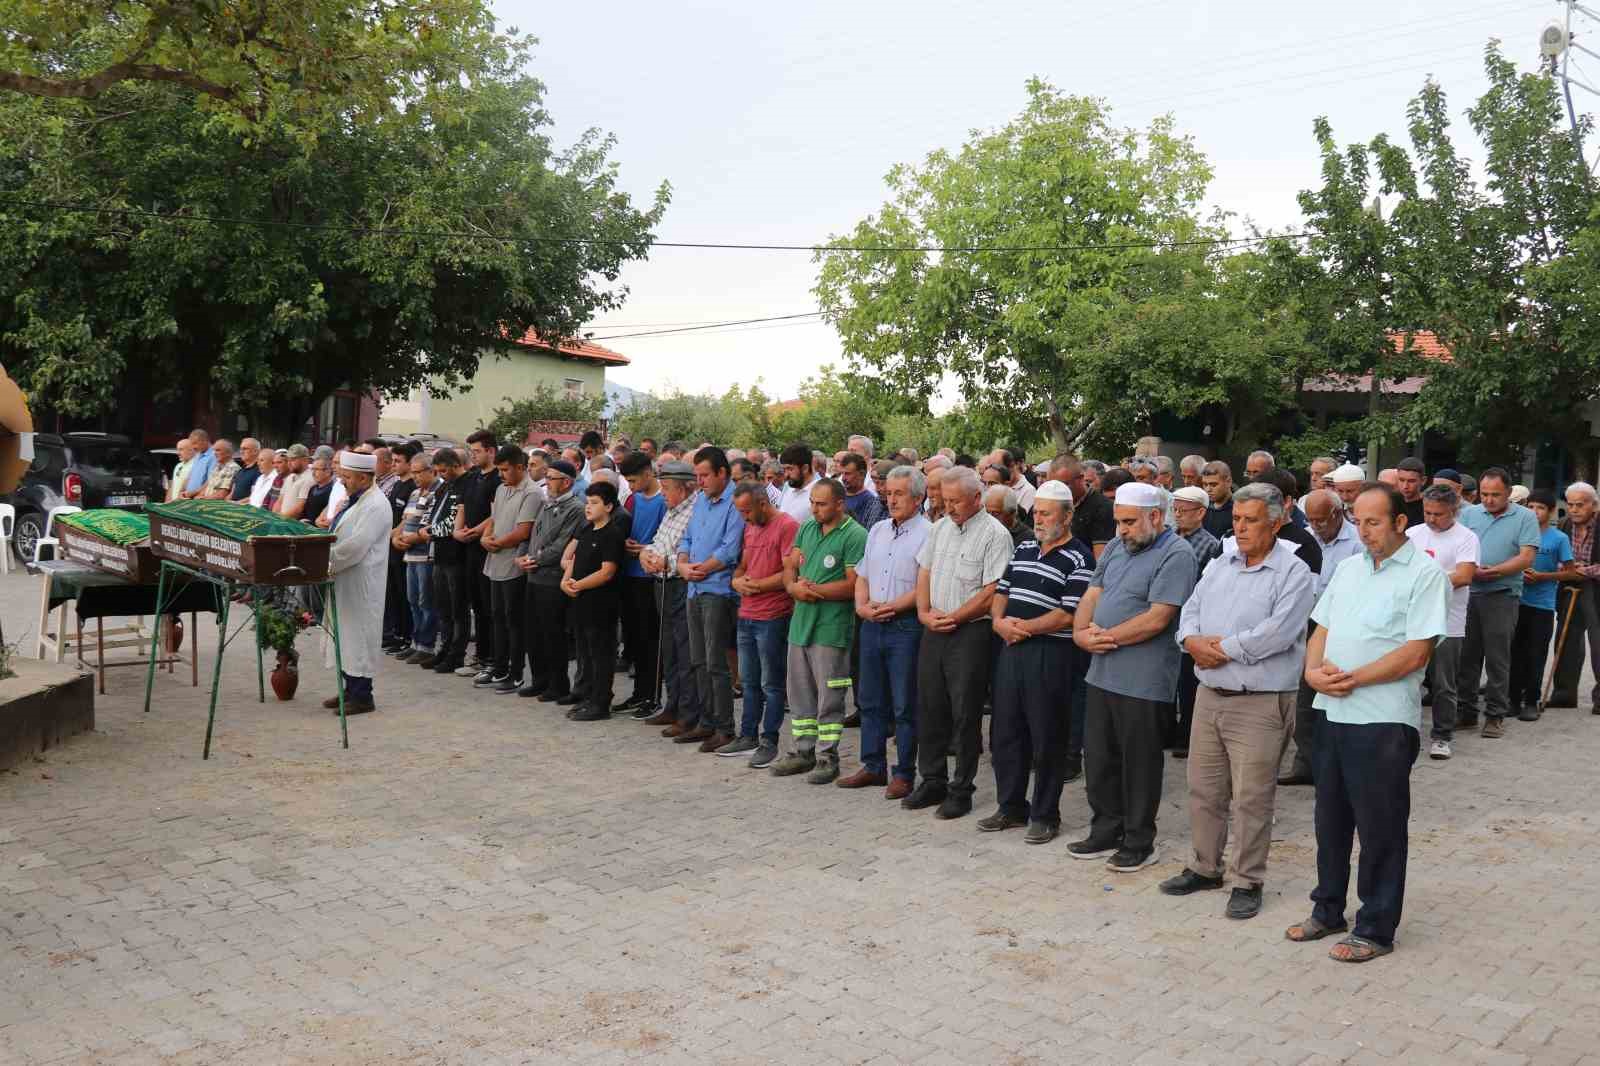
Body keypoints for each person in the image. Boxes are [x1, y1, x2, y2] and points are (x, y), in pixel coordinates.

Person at [1289, 483, 1449, 962]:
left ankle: (1376, 927)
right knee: (1329, 820)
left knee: (1380, 826)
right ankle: (1328, 909)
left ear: (1401, 522)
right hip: (1333, 712)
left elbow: (1416, 651)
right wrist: (1313, 673)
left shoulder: (1424, 574)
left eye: (1373, 521)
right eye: (1358, 520)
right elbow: (1322, 628)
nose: (1364, 530)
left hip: (1382, 720)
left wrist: (1353, 679)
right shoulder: (1349, 568)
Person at [1163, 482, 1316, 919]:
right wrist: (1191, 640)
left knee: (1251, 797)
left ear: (1275, 522)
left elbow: (1279, 633)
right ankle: (1205, 866)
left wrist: (1220, 649)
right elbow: (1190, 607)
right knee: (1204, 788)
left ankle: (1248, 879)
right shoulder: (1221, 562)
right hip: (1210, 694)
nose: (1242, 528)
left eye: (1252, 521)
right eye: (1237, 520)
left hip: (1261, 701)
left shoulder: (1293, 572)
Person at [1070, 482, 1198, 872]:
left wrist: (1103, 637)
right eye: (1118, 522)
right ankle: (1106, 827)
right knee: (1099, 756)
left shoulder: (1177, 553)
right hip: (1102, 672)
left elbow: (1158, 618)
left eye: (1128, 522)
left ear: (1156, 517)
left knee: (1139, 762)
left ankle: (1140, 840)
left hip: (1144, 680)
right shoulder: (1116, 545)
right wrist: (1079, 633)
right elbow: (1092, 594)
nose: (1121, 530)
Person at [979, 480, 1094, 844]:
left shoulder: (1080, 557)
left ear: (1068, 515)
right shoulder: (1025, 546)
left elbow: (1067, 615)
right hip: (1011, 649)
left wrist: (1024, 628)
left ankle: (1046, 815)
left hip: (1051, 655)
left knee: (1047, 737)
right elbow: (1002, 591)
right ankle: (1011, 807)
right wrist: (999, 623)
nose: (1038, 519)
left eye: (1046, 513)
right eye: (1037, 512)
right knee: (1006, 733)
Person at [903, 465, 1015, 819]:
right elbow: (924, 571)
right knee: (930, 706)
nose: (948, 507)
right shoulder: (940, 529)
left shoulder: (995, 535)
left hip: (970, 632)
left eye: (955, 501)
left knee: (965, 712)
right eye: (944, 500)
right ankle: (932, 779)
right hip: (934, 626)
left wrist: (957, 617)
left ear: (977, 498)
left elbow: (993, 590)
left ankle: (961, 788)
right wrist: (923, 612)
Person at [770, 479, 868, 784]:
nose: (814, 508)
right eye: (812, 502)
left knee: (830, 695)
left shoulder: (855, 535)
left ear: (840, 504)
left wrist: (818, 591)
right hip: (801, 624)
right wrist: (792, 587)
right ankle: (803, 751)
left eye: (821, 503)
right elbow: (790, 564)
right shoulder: (808, 528)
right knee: (799, 692)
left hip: (831, 627)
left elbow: (854, 584)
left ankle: (828, 756)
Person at [845, 464, 930, 797]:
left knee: (904, 704)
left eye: (899, 494)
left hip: (904, 626)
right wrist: (862, 605)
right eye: (888, 492)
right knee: (869, 700)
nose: (891, 499)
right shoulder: (878, 529)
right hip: (871, 623)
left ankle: (904, 773)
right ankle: (873, 766)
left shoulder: (930, 533)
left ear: (918, 497)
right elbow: (862, 574)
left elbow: (927, 583)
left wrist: (893, 607)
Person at [1456, 468, 1539, 738]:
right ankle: (1466, 712)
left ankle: (1495, 715)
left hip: (1502, 594)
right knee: (1466, 657)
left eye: (1496, 495)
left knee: (1497, 658)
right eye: (1484, 494)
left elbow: (1526, 557)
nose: (1489, 500)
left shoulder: (1525, 517)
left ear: (1509, 492)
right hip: (1468, 593)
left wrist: (1496, 571)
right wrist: (1471, 570)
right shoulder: (1469, 514)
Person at [675, 447, 746, 752]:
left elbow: (731, 548)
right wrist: (682, 564)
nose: (699, 482)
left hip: (718, 591)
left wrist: (701, 568)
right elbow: (687, 538)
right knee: (698, 660)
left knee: (716, 662)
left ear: (722, 473)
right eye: (697, 476)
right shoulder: (701, 502)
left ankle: (724, 728)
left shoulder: (735, 502)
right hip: (694, 587)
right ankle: (706, 722)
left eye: (704, 475)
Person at [723, 480, 798, 764]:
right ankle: (747, 735)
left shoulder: (787, 526)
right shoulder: (750, 526)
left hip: (773, 616)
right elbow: (743, 564)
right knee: (749, 680)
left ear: (762, 504)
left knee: (771, 683)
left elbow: (790, 572)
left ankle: (769, 740)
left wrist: (758, 585)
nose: (744, 518)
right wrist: (737, 580)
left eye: (746, 512)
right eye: (740, 512)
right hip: (747, 614)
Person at [1404, 483, 1478, 760]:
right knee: (1408, 678)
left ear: (1454, 511)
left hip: (1449, 621)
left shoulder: (1466, 538)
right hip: (1413, 620)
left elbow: (1464, 576)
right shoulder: (1412, 534)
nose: (1432, 519)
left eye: (1438, 514)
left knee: (1444, 683)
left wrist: (1425, 582)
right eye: (1427, 512)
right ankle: (1406, 732)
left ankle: (1442, 736)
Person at [320, 451, 393, 715]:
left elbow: (356, 546)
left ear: (364, 478)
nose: (342, 480)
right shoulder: (355, 499)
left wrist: (326, 560)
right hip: (345, 578)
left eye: (347, 477)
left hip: (362, 581)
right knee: (344, 636)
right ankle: (349, 690)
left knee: (358, 638)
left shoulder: (376, 505)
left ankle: (362, 696)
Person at [559, 482, 628, 720]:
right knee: (585, 653)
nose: (588, 507)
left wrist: (578, 585)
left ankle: (601, 702)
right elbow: (575, 560)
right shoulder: (588, 530)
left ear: (608, 506)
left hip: (601, 604)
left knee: (601, 654)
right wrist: (565, 581)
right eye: (587, 502)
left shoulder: (613, 534)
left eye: (595, 503)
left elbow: (607, 571)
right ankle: (587, 696)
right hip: (581, 603)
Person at [477, 445, 540, 693]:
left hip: (514, 563)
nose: (502, 474)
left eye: (505, 470)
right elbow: (494, 518)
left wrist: (497, 543)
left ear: (520, 467)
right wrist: (486, 537)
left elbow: (523, 530)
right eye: (499, 469)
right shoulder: (501, 489)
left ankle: (515, 673)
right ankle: (499, 666)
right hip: (494, 561)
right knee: (497, 616)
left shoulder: (532, 493)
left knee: (514, 620)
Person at [518, 460, 584, 698]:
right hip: (534, 576)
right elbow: (531, 535)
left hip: (553, 578)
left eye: (552, 478)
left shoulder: (576, 508)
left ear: (566, 482)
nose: (547, 482)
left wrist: (536, 558)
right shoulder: (546, 504)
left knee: (552, 633)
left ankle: (557, 684)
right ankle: (539, 679)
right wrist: (522, 557)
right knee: (533, 633)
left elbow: (562, 545)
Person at [641, 461, 699, 731]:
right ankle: (671, 705)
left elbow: (695, 552)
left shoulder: (694, 511)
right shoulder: (672, 510)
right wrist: (646, 554)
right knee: (668, 649)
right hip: (661, 583)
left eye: (667, 488)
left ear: (684, 489)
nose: (662, 492)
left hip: (679, 584)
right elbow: (658, 541)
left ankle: (687, 713)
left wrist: (666, 562)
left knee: (684, 650)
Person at [1510, 489, 1575, 721]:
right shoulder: (1517, 532)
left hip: (1543, 605)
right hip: (1515, 600)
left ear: (1549, 512)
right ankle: (1513, 699)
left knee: (1536, 653)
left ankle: (1531, 701)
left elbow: (1571, 572)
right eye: (1531, 507)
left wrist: (1542, 577)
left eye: (1540, 508)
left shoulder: (1559, 538)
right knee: (1514, 652)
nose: (1534, 512)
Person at [617, 452, 667, 717]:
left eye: (634, 480)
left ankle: (653, 695)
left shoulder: (663, 500)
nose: (632, 486)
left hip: (651, 577)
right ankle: (638, 693)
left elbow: (668, 538)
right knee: (635, 638)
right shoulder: (633, 499)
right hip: (630, 574)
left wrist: (645, 548)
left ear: (649, 472)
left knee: (650, 640)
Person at [453, 430, 501, 678]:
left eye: (478, 451)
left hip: (485, 547)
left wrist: (476, 531)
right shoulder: (472, 477)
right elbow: (462, 505)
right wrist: (457, 530)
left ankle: (492, 658)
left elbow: (496, 513)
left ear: (491, 451)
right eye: (471, 451)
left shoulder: (497, 478)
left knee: (489, 605)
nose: (474, 455)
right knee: (477, 604)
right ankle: (480, 656)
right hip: (468, 547)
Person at [1548, 481, 1600, 711]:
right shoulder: (1564, 524)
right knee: (1566, 638)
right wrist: (1566, 568)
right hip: (1570, 584)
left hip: (1595, 587)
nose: (1574, 509)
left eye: (1581, 504)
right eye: (1571, 504)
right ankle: (1564, 694)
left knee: (1598, 642)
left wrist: (1584, 570)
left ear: (1594, 505)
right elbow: (1556, 555)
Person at [419, 449, 468, 673]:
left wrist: (430, 531)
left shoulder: (464, 485)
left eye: (444, 470)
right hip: (440, 554)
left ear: (455, 464)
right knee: (443, 608)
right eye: (438, 471)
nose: (441, 474)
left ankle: (456, 654)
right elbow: (433, 512)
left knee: (458, 609)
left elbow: (451, 523)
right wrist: (428, 527)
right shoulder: (444, 486)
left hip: (456, 556)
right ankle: (445, 649)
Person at [392, 453, 438, 664]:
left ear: (432, 471)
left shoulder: (438, 492)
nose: (416, 476)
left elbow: (427, 526)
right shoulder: (414, 493)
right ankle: (416, 642)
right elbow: (406, 521)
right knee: (413, 600)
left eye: (420, 472)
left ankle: (427, 645)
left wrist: (409, 538)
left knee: (426, 601)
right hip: (410, 554)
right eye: (414, 472)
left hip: (426, 555)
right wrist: (395, 537)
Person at [1304, 489, 1362, 594]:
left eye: (1320, 521)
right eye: (1309, 520)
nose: (1314, 527)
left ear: (1338, 513)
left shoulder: (1359, 542)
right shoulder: (1305, 538)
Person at [771, 442, 821, 525]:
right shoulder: (788, 486)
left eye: (790, 469)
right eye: (784, 469)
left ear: (805, 468)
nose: (786, 475)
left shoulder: (821, 491)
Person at [838, 452, 888, 528]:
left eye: (848, 474)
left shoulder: (870, 502)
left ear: (861, 474)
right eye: (842, 473)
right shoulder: (837, 496)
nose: (843, 478)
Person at [276, 444, 314, 518]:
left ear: (305, 460)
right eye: (288, 460)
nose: (289, 463)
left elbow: (299, 508)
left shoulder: (310, 478)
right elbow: (279, 501)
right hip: (281, 520)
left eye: (293, 460)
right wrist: (273, 517)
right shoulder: (290, 477)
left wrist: (279, 520)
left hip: (292, 525)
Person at [1201, 461, 1235, 538]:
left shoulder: (1239, 509)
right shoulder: (1202, 507)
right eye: (1205, 484)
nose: (1208, 489)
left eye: (1213, 484)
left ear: (1228, 482)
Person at [180, 428, 215, 499]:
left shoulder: (214, 456)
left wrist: (193, 493)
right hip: (188, 498)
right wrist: (181, 492)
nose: (193, 447)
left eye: (195, 443)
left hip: (199, 499)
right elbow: (190, 476)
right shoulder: (198, 455)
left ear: (205, 441)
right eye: (191, 444)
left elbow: (211, 481)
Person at [1395, 458, 1427, 529]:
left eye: (1411, 481)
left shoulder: (1428, 509)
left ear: (1423, 481)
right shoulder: (1391, 504)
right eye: (1401, 480)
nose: (1405, 486)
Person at [167, 438, 195, 503]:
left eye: (181, 450)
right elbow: (172, 486)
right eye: (177, 450)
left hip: (184, 504)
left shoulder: (196, 465)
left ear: (190, 450)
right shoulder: (178, 466)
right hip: (173, 504)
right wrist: (167, 502)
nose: (178, 453)